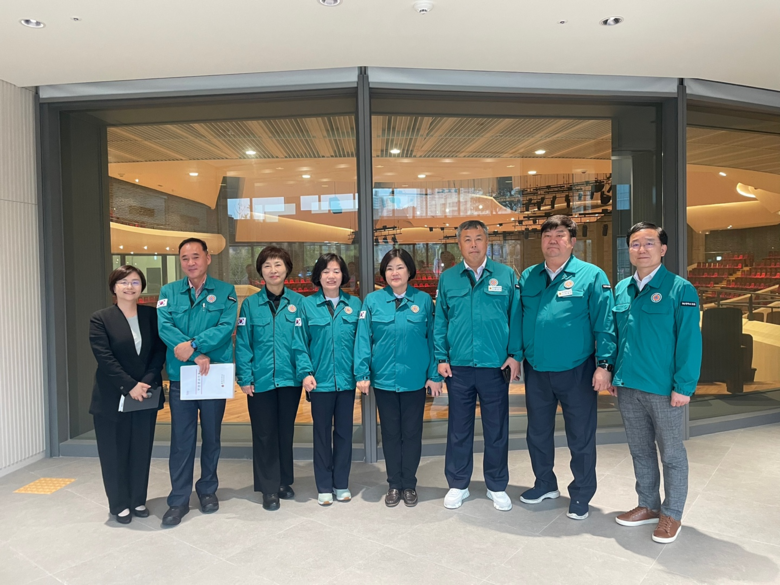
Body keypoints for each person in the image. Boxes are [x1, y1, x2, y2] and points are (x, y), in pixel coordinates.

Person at [518, 215, 616, 521]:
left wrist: (604, 365)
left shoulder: (591, 276)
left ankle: (582, 494)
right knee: (537, 433)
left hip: (577, 370)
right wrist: (517, 356)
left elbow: (605, 324)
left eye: (560, 235)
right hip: (537, 370)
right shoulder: (529, 277)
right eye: (547, 236)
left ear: (572, 242)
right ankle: (544, 483)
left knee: (580, 436)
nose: (553, 241)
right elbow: (519, 320)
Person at [611, 222, 702, 544]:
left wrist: (684, 386)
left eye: (649, 243)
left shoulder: (680, 289)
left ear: (663, 249)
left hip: (663, 389)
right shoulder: (621, 289)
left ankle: (671, 514)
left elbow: (690, 341)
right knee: (640, 451)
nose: (642, 249)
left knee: (672, 455)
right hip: (628, 387)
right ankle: (648, 505)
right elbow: (617, 337)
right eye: (635, 244)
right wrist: (613, 373)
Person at [433, 220, 522, 511]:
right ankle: (458, 484)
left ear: (487, 242)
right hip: (458, 367)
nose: (473, 244)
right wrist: (441, 357)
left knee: (497, 429)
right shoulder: (448, 278)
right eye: (468, 239)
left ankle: (496, 485)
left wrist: (515, 355)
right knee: (459, 429)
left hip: (495, 366)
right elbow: (440, 320)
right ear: (459, 244)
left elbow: (516, 317)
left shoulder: (506, 275)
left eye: (479, 238)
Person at [157, 238, 238, 526]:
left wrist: (193, 345)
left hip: (213, 374)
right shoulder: (168, 292)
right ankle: (178, 500)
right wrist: (194, 355)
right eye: (185, 258)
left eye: (195, 256)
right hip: (182, 376)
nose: (190, 262)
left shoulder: (226, 292)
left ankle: (207, 490)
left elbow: (226, 327)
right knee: (182, 440)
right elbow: (165, 327)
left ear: (207, 258)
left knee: (212, 437)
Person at [354, 249, 443, 507]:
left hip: (415, 380)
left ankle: (409, 484)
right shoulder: (372, 301)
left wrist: (434, 375)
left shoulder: (423, 300)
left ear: (409, 271)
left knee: (412, 433)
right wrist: (362, 373)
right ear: (384, 273)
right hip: (384, 380)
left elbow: (433, 339)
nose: (395, 272)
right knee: (391, 433)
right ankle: (394, 484)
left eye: (400, 267)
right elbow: (363, 339)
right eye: (390, 268)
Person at [89, 266, 166, 524]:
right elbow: (104, 357)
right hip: (112, 397)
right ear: (114, 287)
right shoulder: (100, 319)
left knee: (141, 450)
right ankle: (119, 503)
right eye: (123, 282)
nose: (129, 287)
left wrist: (145, 382)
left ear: (141, 286)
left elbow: (159, 351)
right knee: (114, 452)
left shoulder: (151, 315)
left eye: (135, 282)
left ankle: (138, 499)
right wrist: (130, 385)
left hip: (146, 393)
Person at [235, 247, 305, 511]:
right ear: (260, 271)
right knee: (264, 434)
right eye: (267, 265)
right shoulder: (250, 305)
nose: (273, 270)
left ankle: (284, 481)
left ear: (287, 269)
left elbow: (304, 342)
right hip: (260, 380)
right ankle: (268, 488)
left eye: (278, 264)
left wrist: (305, 373)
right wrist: (244, 376)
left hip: (290, 380)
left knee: (285, 432)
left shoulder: (299, 303)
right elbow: (243, 343)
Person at [293, 253, 362, 506]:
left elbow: (361, 343)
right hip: (319, 382)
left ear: (343, 275)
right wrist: (305, 373)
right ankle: (323, 485)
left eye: (336, 271)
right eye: (325, 271)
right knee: (321, 434)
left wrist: (361, 374)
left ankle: (341, 483)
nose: (331, 276)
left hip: (346, 382)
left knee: (344, 433)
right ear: (318, 276)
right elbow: (299, 343)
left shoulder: (355, 305)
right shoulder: (306, 305)